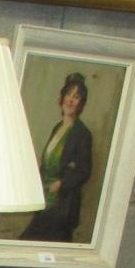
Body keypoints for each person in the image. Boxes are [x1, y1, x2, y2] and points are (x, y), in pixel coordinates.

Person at [20, 72, 93, 243]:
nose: (70, 100)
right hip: (46, 199)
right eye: (68, 94)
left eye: (76, 97)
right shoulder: (57, 128)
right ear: (62, 98)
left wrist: (61, 184)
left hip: (63, 205)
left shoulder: (82, 134)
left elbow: (84, 170)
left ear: (81, 104)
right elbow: (53, 161)